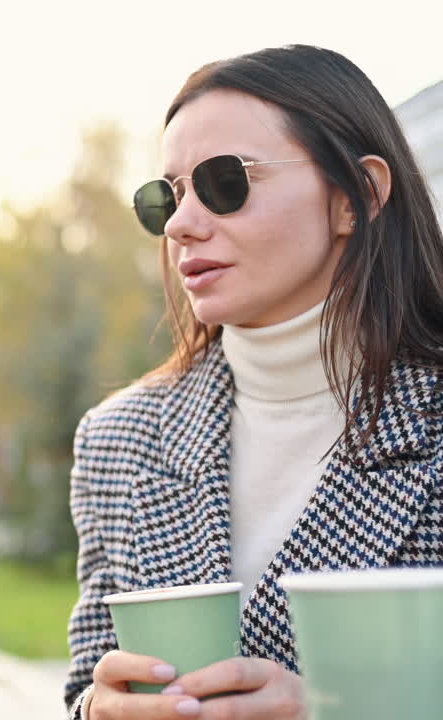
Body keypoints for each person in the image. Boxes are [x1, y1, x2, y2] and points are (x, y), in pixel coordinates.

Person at [65, 45, 443, 719]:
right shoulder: (117, 440)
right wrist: (100, 708)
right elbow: (82, 688)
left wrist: (341, 709)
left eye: (224, 181)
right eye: (167, 197)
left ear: (359, 196)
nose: (180, 225)